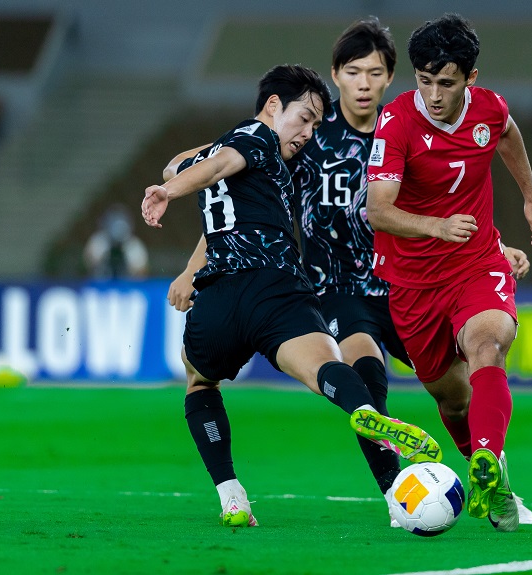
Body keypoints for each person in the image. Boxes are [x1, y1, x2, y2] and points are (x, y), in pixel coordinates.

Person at [167, 20, 532, 530]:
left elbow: (456, 189)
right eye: (353, 71)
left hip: (412, 282)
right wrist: (192, 261)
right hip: (341, 289)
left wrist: (495, 242)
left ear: (391, 79)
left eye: (375, 72)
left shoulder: (410, 126)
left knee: (457, 393)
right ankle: (397, 494)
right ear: (336, 76)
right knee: (366, 374)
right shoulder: (305, 138)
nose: (364, 83)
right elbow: (234, 193)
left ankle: (497, 484)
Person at [141, 64, 442, 529]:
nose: (308, 132)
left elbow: (194, 166)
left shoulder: (250, 151)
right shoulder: (258, 138)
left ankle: (231, 496)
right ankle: (363, 410)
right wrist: (169, 192)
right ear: (274, 106)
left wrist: (186, 257)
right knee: (326, 367)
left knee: (200, 384)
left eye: (318, 124)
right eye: (305, 118)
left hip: (220, 294)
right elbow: (216, 164)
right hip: (278, 288)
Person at [365, 14, 532, 532]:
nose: (432, 94)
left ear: (470, 77)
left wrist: (531, 196)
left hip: (476, 261)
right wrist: (435, 226)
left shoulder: (489, 108)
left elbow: (508, 134)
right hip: (412, 281)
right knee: (452, 397)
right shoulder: (398, 121)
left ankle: (490, 468)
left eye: (445, 82)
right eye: (423, 81)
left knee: (489, 343)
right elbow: (378, 210)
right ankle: (496, 483)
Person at [83, 204, 149, 279]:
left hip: (128, 287)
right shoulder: (97, 242)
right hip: (100, 285)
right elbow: (87, 268)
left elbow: (142, 274)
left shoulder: (135, 246)